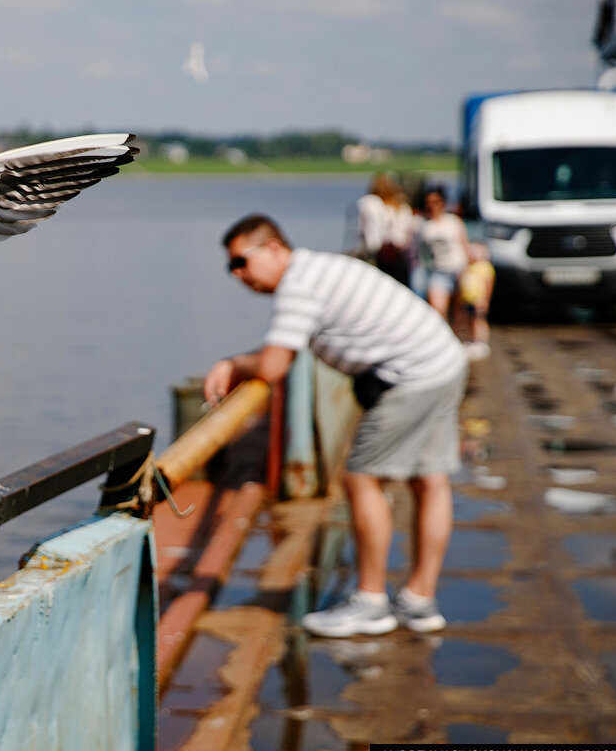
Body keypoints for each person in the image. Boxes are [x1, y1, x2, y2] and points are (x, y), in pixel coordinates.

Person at [203, 214, 467, 637]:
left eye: (240, 262)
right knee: (429, 480)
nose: (237, 275)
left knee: (361, 479)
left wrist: (233, 363)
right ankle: (420, 601)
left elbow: (272, 366)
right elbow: (283, 353)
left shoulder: (298, 285)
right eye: (231, 267)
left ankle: (370, 602)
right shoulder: (318, 268)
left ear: (273, 249)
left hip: (413, 376)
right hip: (441, 359)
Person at [416, 186, 471, 320]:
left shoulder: (453, 221)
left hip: (458, 269)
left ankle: (457, 337)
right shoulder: (423, 225)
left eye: (435, 202)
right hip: (437, 271)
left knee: (460, 313)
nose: (431, 206)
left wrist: (468, 269)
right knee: (438, 311)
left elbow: (465, 245)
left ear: (442, 203)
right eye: (428, 202)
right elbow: (421, 252)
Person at [356, 173, 414, 286]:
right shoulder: (402, 207)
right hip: (399, 253)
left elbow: (365, 230)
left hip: (377, 252)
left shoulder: (370, 203)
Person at [458, 242, 495, 361]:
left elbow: (488, 285)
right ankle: (471, 341)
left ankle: (481, 342)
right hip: (468, 299)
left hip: (479, 300)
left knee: (478, 321)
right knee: (469, 321)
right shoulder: (468, 267)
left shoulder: (485, 268)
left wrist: (485, 299)